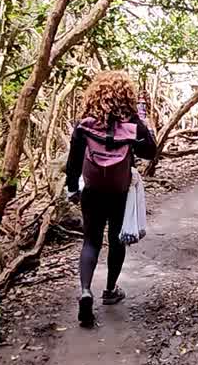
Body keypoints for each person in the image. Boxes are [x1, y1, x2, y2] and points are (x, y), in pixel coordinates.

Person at [64, 71, 156, 327]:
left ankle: (85, 291)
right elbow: (150, 151)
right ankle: (109, 290)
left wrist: (72, 189)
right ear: (126, 97)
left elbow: (73, 163)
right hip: (119, 191)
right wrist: (137, 118)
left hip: (92, 191)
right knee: (117, 240)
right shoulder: (132, 127)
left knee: (91, 241)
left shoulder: (85, 125)